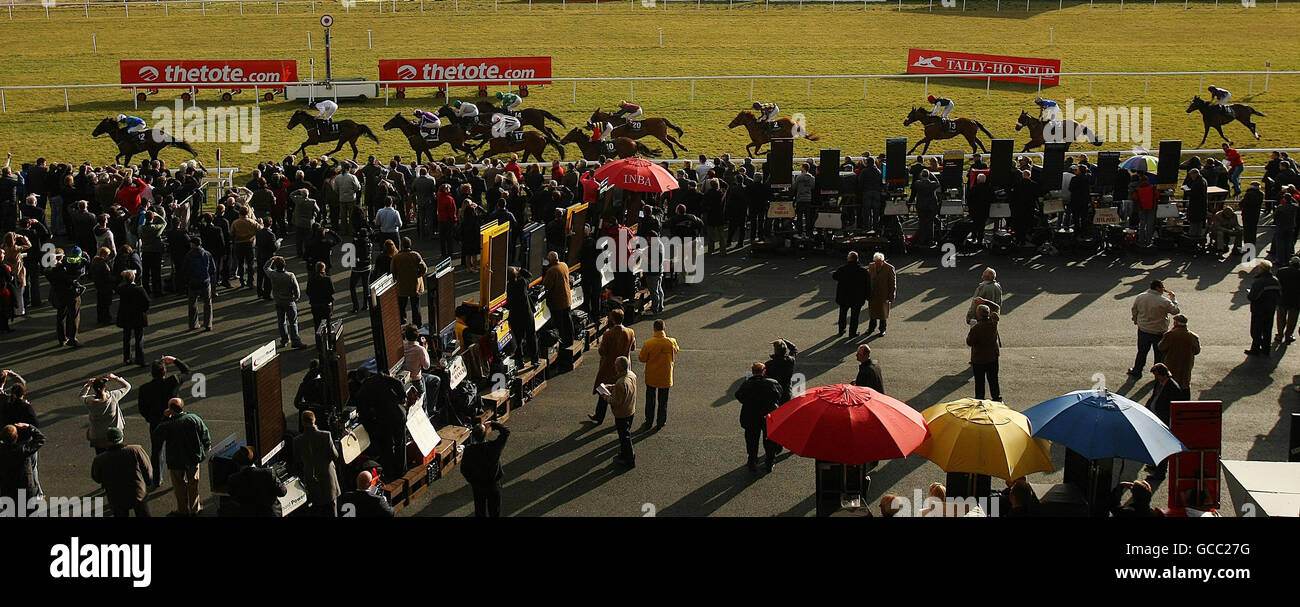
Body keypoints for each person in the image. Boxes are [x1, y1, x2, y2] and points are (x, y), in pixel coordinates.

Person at [152, 398, 212, 516]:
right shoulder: (194, 418)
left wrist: (164, 418)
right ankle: (195, 508)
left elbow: (156, 435)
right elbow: (204, 433)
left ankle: (182, 510)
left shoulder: (167, 424)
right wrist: (206, 447)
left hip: (175, 460)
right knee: (193, 484)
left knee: (179, 486)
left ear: (170, 409)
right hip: (193, 458)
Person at [137, 355, 190, 489]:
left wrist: (149, 418)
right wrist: (174, 360)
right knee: (178, 449)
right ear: (165, 372)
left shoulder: (144, 389)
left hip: (156, 422)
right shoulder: (173, 381)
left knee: (157, 451)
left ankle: (157, 479)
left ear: (152, 373)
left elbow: (142, 409)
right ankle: (181, 476)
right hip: (174, 421)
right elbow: (187, 371)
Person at [90, 427, 153, 517]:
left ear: (107, 441)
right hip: (137, 492)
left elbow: (97, 478)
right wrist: (148, 481)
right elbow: (147, 468)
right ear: (122, 437)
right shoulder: (135, 450)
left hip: (116, 496)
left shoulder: (100, 459)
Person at [589, 308, 636, 424]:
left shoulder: (608, 334)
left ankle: (599, 416)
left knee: (604, 390)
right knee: (622, 393)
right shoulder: (630, 332)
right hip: (624, 366)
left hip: (609, 367)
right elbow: (633, 347)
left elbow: (602, 351)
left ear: (613, 319)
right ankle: (623, 416)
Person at [735, 362, 783, 473]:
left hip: (751, 415)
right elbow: (779, 394)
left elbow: (739, 395)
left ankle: (752, 461)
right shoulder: (772, 383)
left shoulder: (747, 384)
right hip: (768, 415)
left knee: (752, 440)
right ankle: (769, 462)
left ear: (752, 372)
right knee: (770, 439)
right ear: (764, 371)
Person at [1145, 363, 1188, 479]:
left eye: (1157, 375)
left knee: (1163, 446)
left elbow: (1174, 407)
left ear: (1163, 374)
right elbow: (1153, 397)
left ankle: (1160, 472)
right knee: (1157, 445)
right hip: (1157, 419)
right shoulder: (1159, 384)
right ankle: (1156, 465)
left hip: (1165, 421)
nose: (1155, 377)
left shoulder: (1173, 388)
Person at [460, 421, 511, 517]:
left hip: (478, 485)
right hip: (493, 484)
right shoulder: (494, 447)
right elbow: (506, 432)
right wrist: (493, 424)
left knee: (480, 511)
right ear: (485, 434)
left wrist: (472, 481)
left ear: (473, 436)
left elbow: (464, 469)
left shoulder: (469, 450)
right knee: (494, 511)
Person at [1128, 280, 1178, 376]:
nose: (1164, 290)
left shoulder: (1140, 297)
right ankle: (1159, 375)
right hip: (1158, 331)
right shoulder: (1164, 301)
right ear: (1158, 288)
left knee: (1142, 352)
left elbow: (1134, 310)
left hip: (1143, 329)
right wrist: (1173, 299)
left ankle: (1137, 370)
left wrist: (1136, 321)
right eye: (1163, 287)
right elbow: (1175, 311)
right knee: (1159, 355)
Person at [638, 319, 679, 429]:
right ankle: (661, 421)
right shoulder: (671, 342)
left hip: (652, 376)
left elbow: (642, 358)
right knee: (663, 400)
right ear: (664, 329)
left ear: (654, 329)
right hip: (665, 376)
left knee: (650, 400)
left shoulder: (648, 343)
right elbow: (676, 351)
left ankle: (649, 421)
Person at [227, 445, 287, 517]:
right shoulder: (268, 473)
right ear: (254, 460)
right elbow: (282, 492)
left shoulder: (233, 479)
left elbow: (234, 498)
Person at [601, 356, 638, 468]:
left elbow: (616, 402)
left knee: (624, 437)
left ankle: (629, 460)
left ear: (619, 367)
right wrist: (613, 387)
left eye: (616, 365)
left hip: (622, 413)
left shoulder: (621, 383)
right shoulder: (631, 375)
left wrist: (605, 396)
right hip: (631, 409)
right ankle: (624, 455)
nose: (614, 367)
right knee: (624, 435)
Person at [82, 374, 130, 454]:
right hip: (113, 435)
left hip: (98, 436)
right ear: (105, 387)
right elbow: (127, 386)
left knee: (101, 457)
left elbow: (81, 395)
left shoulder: (89, 401)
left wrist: (87, 385)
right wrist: (116, 378)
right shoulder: (113, 396)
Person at [266, 256, 306, 348]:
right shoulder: (290, 275)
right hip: (289, 301)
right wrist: (296, 297)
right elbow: (296, 289)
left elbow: (265, 268)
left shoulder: (273, 274)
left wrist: (271, 259)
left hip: (278, 301)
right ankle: (295, 340)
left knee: (281, 321)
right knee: (293, 321)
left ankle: (284, 340)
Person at [967, 298, 1002, 402]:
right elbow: (997, 307)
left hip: (979, 359)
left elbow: (970, 342)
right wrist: (985, 301)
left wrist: (971, 328)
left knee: (980, 382)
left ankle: (980, 401)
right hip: (992, 356)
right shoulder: (993, 322)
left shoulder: (976, 328)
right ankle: (996, 399)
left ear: (978, 315)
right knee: (993, 379)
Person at [505, 267, 540, 368]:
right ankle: (534, 360)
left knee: (518, 339)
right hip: (527, 314)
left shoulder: (508, 287)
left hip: (515, 316)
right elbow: (529, 275)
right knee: (531, 336)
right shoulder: (522, 283)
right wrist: (520, 269)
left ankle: (519, 361)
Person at [1246, 260, 1282, 356]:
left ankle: (1255, 349)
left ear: (1262, 269)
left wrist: (1249, 293)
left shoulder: (1259, 282)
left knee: (1255, 331)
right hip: (1270, 309)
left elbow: (1252, 297)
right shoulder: (1275, 280)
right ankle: (1266, 349)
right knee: (1267, 330)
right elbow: (1279, 295)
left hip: (1258, 309)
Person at [832, 251, 871, 338]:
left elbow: (834, 276)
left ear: (848, 259)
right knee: (854, 316)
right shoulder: (863, 271)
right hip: (857, 298)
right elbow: (868, 284)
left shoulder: (842, 269)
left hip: (844, 297)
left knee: (842, 314)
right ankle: (852, 333)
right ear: (857, 259)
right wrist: (868, 296)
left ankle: (841, 330)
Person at [0, 423, 44, 501]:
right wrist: (30, 427)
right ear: (16, 437)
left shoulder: (2, 451)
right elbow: (40, 439)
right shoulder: (22, 450)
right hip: (26, 491)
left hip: (8, 492)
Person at [115, 270, 150, 366]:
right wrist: (143, 310)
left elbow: (118, 287)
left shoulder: (121, 289)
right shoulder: (140, 289)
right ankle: (140, 359)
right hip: (138, 316)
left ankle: (127, 358)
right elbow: (147, 302)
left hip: (126, 316)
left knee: (126, 338)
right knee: (139, 338)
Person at [1158, 315, 1201, 392]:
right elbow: (1197, 351)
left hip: (1172, 362)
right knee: (1184, 383)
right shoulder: (1192, 336)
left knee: (1171, 383)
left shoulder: (1169, 334)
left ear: (1175, 323)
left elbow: (1161, 347)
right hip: (1186, 363)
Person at [390, 237, 426, 327]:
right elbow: (424, 268)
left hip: (402, 286)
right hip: (414, 285)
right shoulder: (415, 255)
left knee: (402, 307)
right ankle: (417, 324)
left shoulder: (396, 257)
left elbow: (392, 271)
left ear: (402, 245)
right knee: (415, 306)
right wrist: (419, 275)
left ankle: (402, 323)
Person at [184, 236, 217, 331]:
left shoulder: (189, 255)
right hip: (205, 281)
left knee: (192, 303)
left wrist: (187, 280)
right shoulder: (207, 254)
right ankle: (208, 324)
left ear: (193, 244)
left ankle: (193, 324)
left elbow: (185, 269)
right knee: (208, 302)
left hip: (193, 281)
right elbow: (212, 269)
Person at [867, 252, 896, 337]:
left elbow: (892, 283)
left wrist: (892, 295)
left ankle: (882, 329)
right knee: (872, 313)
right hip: (873, 294)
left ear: (882, 261)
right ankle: (871, 328)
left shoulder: (889, 268)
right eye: (876, 262)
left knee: (883, 314)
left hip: (884, 294)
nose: (877, 264)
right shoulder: (871, 266)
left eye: (878, 262)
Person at [1275, 257, 1300, 344]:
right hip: (1296, 300)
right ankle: (1288, 335)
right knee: (1292, 319)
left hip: (1283, 298)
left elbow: (1277, 284)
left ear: (1290, 263)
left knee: (1281, 318)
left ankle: (1280, 334)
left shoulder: (1281, 271)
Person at [765, 339, 797, 403]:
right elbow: (794, 349)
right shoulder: (790, 360)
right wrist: (783, 340)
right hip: (786, 391)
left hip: (774, 391)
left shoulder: (769, 364)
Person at [306, 261, 334, 332]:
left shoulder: (311, 279)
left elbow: (308, 292)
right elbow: (332, 291)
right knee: (327, 323)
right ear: (324, 269)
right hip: (325, 304)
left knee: (317, 324)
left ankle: (318, 341)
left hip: (315, 304)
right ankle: (328, 340)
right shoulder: (327, 279)